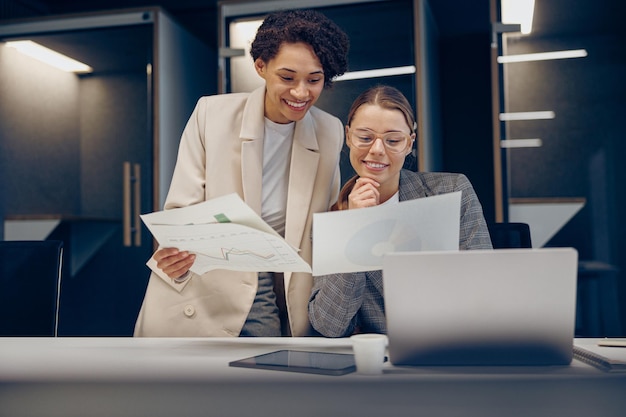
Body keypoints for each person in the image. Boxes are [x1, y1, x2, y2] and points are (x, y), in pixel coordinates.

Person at [134, 9, 350, 338]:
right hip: (214, 277)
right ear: (261, 67)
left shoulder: (329, 130)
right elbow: (182, 209)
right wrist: (177, 250)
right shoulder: (213, 114)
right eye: (288, 78)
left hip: (286, 279)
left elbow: (323, 223)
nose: (301, 93)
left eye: (314, 80)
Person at [308, 85, 492, 338]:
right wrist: (354, 225)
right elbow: (330, 326)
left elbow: (486, 288)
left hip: (454, 345)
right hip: (384, 363)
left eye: (393, 140)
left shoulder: (452, 191)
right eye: (365, 137)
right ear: (348, 137)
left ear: (409, 143)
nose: (377, 150)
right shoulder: (333, 223)